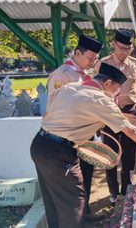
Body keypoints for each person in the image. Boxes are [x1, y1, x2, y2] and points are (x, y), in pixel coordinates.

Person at [31, 62, 136, 227]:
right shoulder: (99, 99)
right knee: (74, 201)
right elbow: (131, 131)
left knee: (52, 198)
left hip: (40, 144)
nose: (116, 93)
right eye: (116, 89)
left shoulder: (70, 87)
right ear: (107, 84)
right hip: (59, 152)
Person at [45, 34, 101, 216]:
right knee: (70, 183)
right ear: (77, 53)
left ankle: (85, 212)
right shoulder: (62, 75)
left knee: (86, 174)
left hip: (84, 136)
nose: (93, 62)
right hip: (66, 138)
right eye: (90, 58)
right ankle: (75, 218)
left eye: (95, 59)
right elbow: (56, 109)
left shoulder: (84, 74)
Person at [98, 29, 136, 204]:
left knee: (129, 155)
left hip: (129, 112)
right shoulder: (102, 64)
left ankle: (127, 190)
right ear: (113, 44)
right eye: (121, 48)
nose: (125, 52)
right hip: (109, 114)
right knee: (110, 155)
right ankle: (113, 192)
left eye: (128, 48)